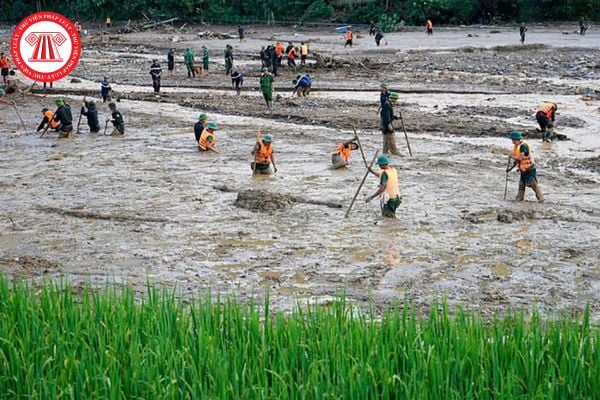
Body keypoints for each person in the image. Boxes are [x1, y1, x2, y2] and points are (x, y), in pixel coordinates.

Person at [507, 131, 544, 202]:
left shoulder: (523, 146)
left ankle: (541, 199)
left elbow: (519, 158)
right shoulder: (517, 146)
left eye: (513, 140)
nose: (512, 141)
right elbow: (517, 161)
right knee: (521, 184)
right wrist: (510, 169)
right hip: (523, 169)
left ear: (516, 139)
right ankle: (519, 199)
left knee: (534, 185)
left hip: (529, 169)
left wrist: (511, 156)